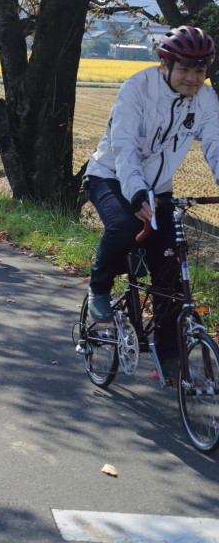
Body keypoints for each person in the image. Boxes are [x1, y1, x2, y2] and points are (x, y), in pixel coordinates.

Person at [85, 24, 219, 378]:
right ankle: (99, 286)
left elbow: (216, 144)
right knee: (125, 225)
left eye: (200, 70)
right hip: (111, 176)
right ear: (165, 65)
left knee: (170, 264)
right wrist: (136, 192)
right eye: (185, 69)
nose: (192, 78)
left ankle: (169, 356)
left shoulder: (206, 99)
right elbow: (124, 145)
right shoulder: (137, 89)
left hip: (159, 187)